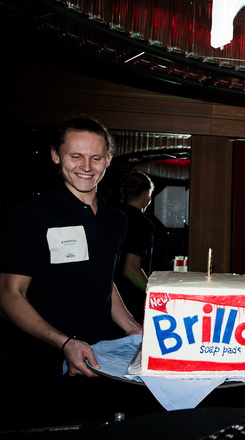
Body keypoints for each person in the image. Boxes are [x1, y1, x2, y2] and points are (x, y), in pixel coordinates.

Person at [0, 115, 143, 429]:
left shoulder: (116, 220)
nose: (86, 167)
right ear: (56, 156)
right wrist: (65, 343)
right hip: (40, 363)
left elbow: (104, 280)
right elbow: (10, 295)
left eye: (96, 158)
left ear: (108, 160)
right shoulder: (32, 215)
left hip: (99, 359)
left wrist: (133, 329)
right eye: (75, 156)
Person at [114, 170, 155, 324]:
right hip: (129, 300)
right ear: (146, 194)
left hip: (107, 298)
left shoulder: (111, 216)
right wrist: (153, 293)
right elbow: (131, 269)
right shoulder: (143, 224)